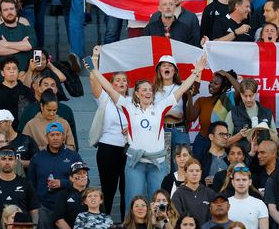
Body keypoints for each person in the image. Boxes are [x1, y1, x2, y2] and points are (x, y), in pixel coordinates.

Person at [87, 48, 204, 201]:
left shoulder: (160, 107)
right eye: (144, 90)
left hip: (157, 163)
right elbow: (109, 88)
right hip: (136, 163)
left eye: (150, 90)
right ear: (136, 93)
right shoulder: (128, 106)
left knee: (159, 200)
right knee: (134, 200)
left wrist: (196, 72)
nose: (148, 92)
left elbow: (182, 89)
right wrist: (94, 69)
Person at [87, 68, 128, 217]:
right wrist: (94, 62)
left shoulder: (133, 101)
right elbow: (93, 80)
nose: (121, 82)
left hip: (129, 150)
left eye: (124, 80)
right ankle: (104, 222)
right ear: (110, 84)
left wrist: (131, 128)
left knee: (126, 189)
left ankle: (126, 223)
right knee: (108, 189)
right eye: (117, 80)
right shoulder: (104, 98)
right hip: (108, 149)